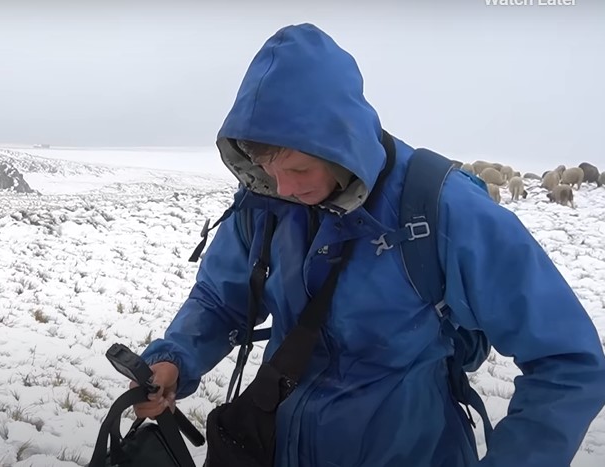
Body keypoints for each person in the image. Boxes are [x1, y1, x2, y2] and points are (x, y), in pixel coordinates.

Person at [133, 23, 605, 466]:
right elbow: (221, 300)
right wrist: (176, 357)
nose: (284, 187)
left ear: (340, 142)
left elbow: (567, 362)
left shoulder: (442, 208)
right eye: (268, 169)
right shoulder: (265, 202)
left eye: (298, 169)